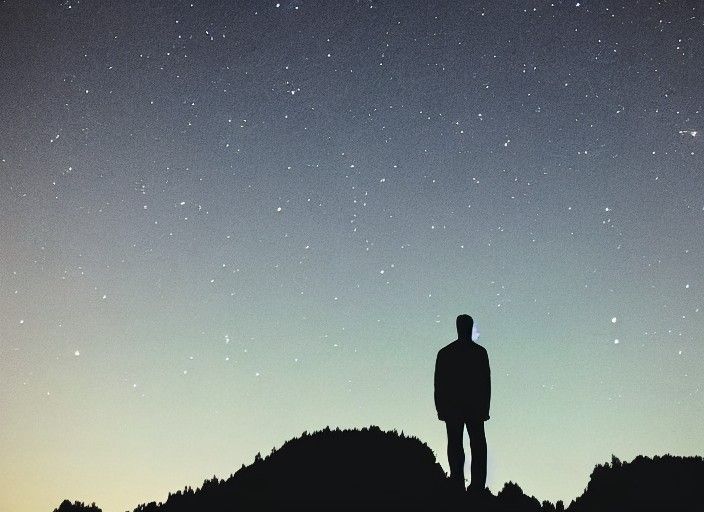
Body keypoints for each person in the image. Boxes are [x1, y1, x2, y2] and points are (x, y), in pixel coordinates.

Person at [434, 314, 490, 494]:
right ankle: (475, 485)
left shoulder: (445, 353)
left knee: (458, 444)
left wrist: (441, 408)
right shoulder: (479, 353)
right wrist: (484, 408)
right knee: (475, 445)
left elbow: (439, 384)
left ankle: (460, 481)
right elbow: (485, 383)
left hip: (455, 408)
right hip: (471, 407)